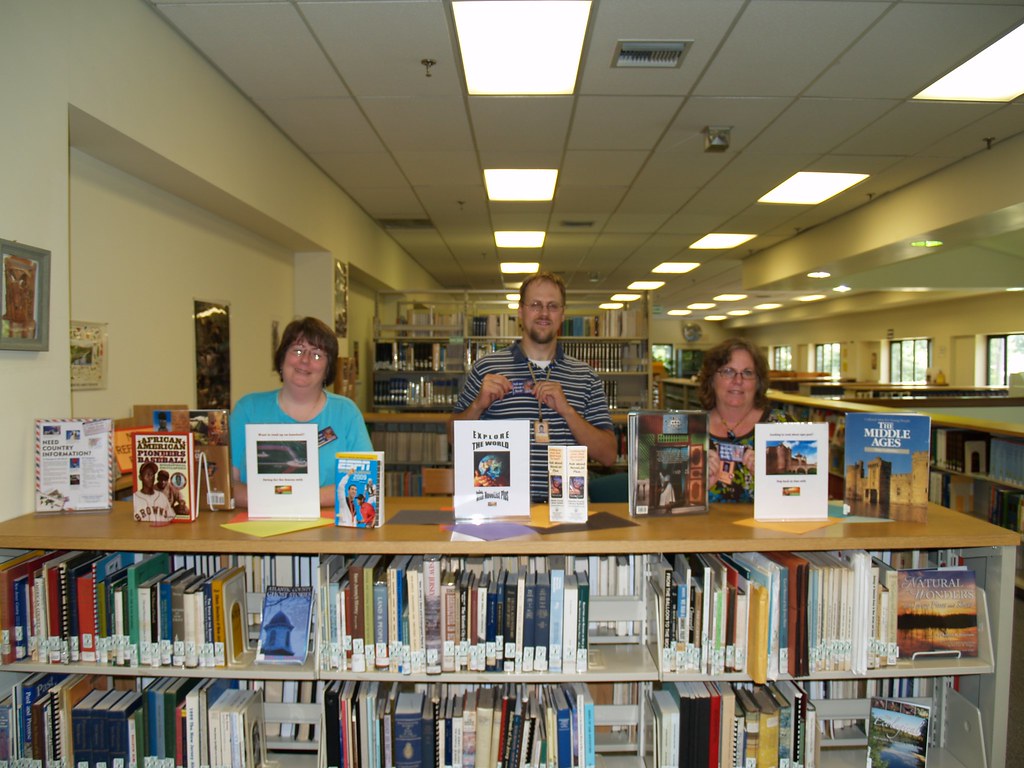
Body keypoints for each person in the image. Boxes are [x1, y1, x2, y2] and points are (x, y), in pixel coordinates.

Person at [453, 272, 617, 501]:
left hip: (566, 508)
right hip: (502, 506)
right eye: (535, 305)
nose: (544, 313)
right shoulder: (486, 368)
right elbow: (453, 439)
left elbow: (608, 455)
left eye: (552, 306)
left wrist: (568, 412)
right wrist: (477, 406)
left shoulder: (586, 376)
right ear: (520, 311)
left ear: (563, 314)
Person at [230, 316, 372, 508]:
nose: (305, 360)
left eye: (317, 355)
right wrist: (292, 498)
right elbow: (227, 485)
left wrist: (293, 499)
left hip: (328, 523)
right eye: (297, 351)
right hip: (257, 523)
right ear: (282, 358)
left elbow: (364, 480)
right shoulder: (248, 409)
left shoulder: (346, 413)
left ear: (328, 368)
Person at [699, 337, 791, 503]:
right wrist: (696, 487)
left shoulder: (782, 426)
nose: (738, 381)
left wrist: (771, 481)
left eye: (747, 373)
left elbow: (803, 497)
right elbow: (666, 499)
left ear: (758, 382)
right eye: (728, 371)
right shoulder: (689, 430)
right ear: (711, 379)